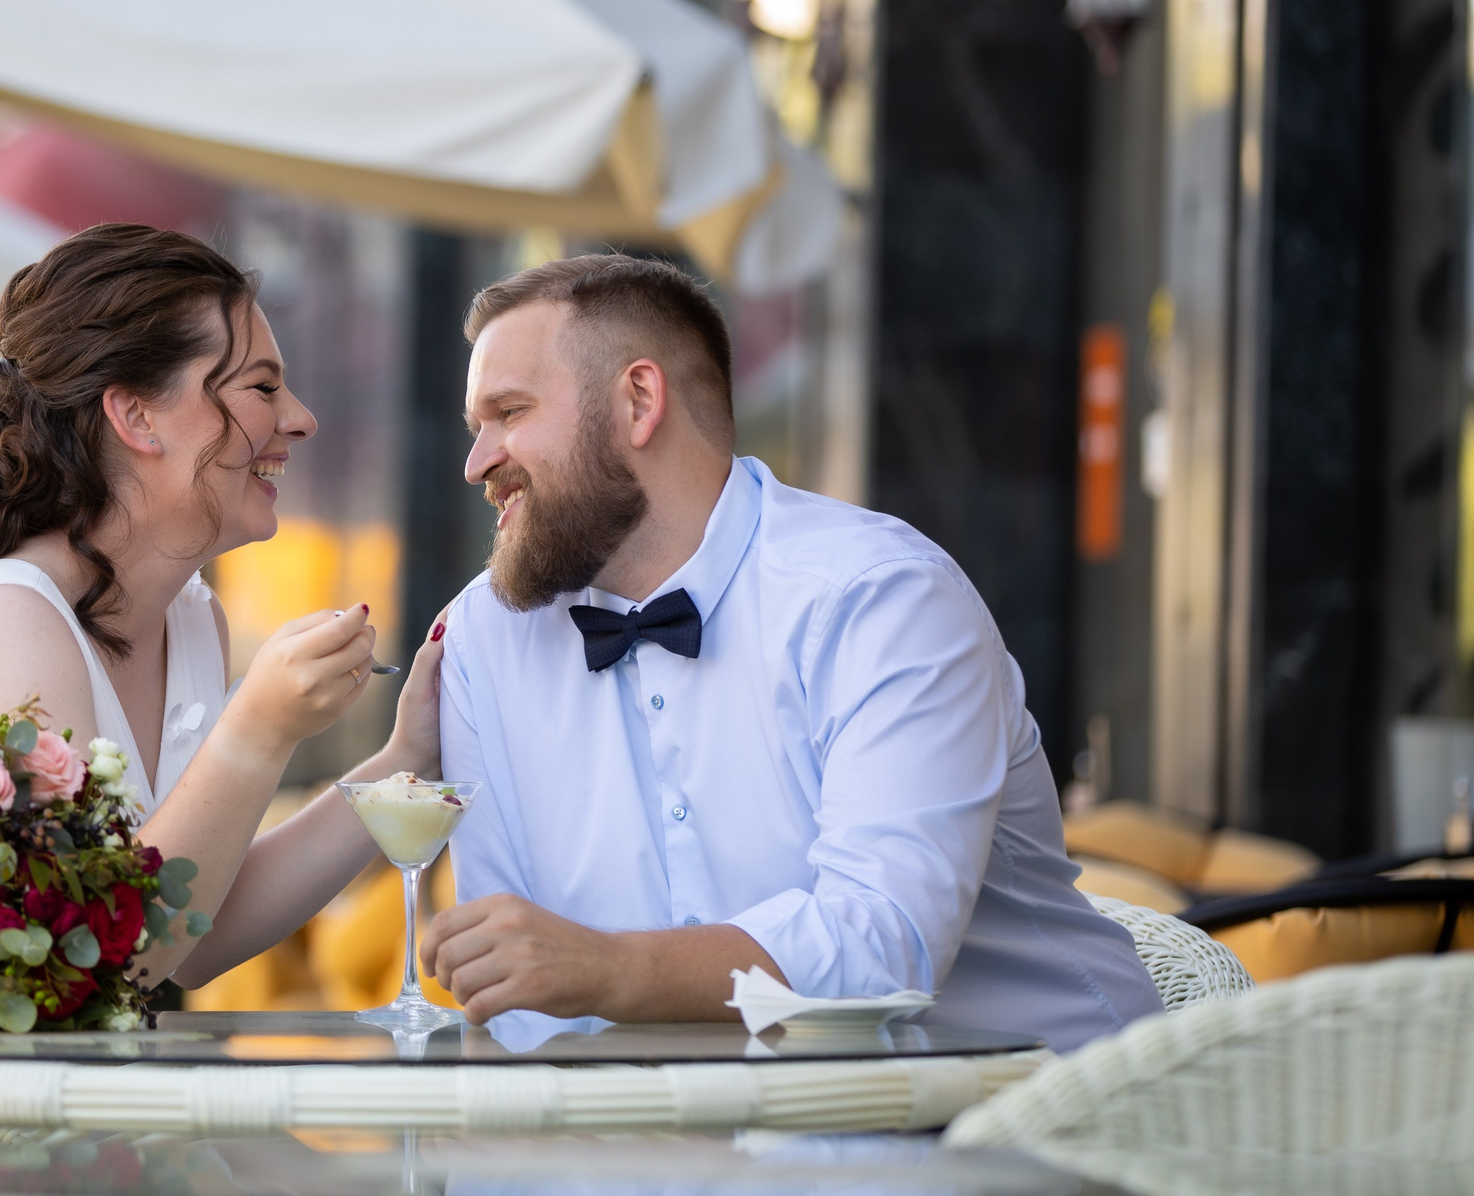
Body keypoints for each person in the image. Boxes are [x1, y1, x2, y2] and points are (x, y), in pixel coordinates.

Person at [418, 253, 1160, 1052]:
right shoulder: (483, 642)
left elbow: (881, 950)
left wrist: (606, 968)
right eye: (475, 428)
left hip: (1040, 1130)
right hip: (699, 1152)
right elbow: (515, 1005)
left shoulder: (882, 598)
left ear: (638, 399)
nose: (477, 461)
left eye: (510, 412)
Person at [0, 221, 445, 985]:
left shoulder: (192, 619)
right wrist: (259, 728)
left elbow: (192, 934)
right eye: (263, 387)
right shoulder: (8, 622)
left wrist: (406, 761)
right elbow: (82, 970)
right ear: (137, 415)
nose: (301, 417)